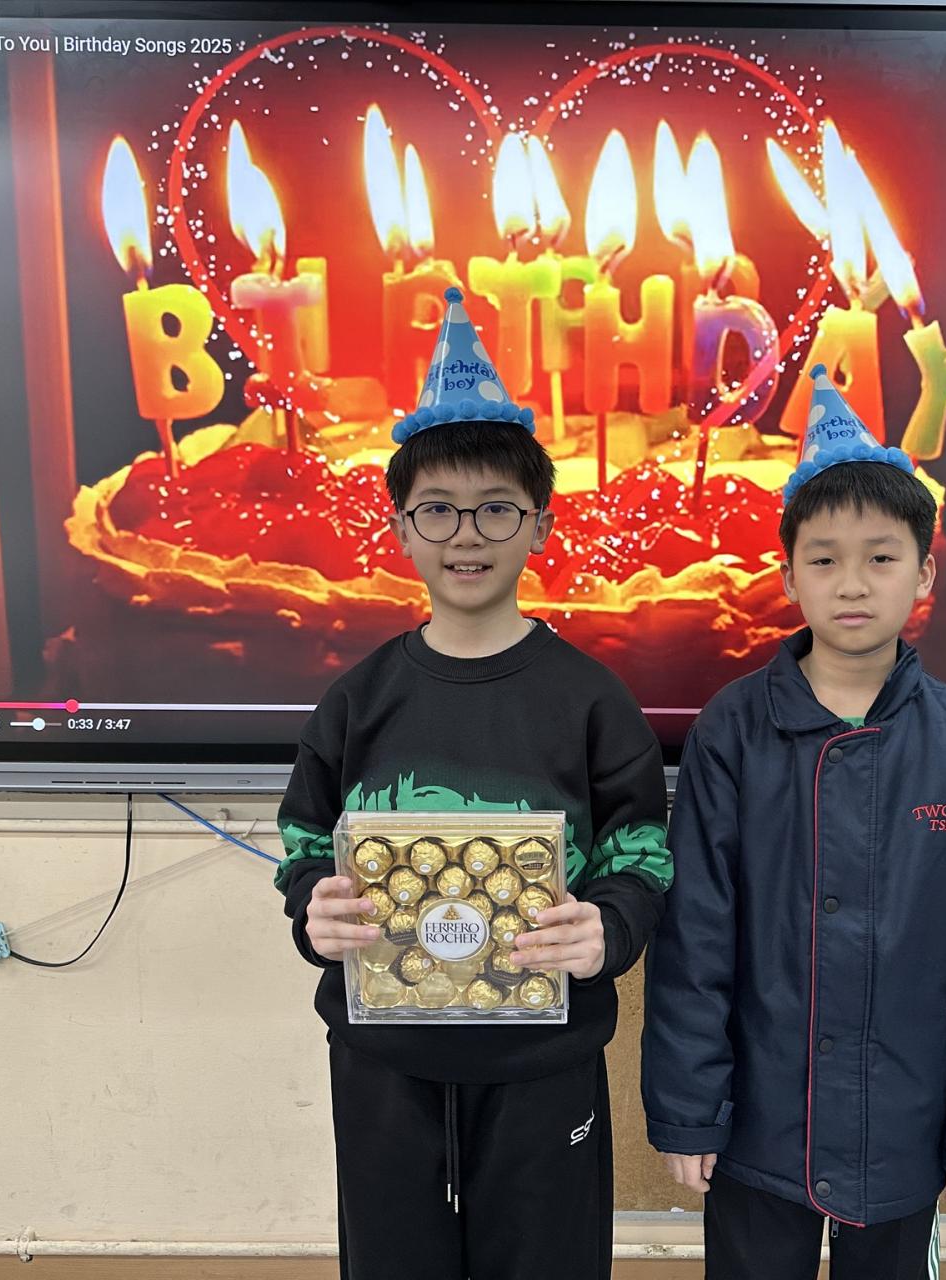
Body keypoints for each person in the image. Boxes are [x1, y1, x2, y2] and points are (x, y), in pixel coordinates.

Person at [275, 289, 672, 1280]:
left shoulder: (590, 698)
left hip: (543, 1061)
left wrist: (609, 927)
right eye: (438, 509)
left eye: (496, 507)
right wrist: (313, 908)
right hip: (383, 1058)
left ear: (539, 525)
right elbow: (305, 842)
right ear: (400, 528)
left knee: (545, 1259)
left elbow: (641, 852)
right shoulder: (358, 699)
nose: (467, 532)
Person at [642, 364, 946, 1280]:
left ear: (924, 572)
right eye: (823, 559)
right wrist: (690, 1110)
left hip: (906, 1120)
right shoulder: (732, 730)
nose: (851, 584)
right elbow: (694, 936)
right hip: (758, 1120)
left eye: (880, 558)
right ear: (788, 574)